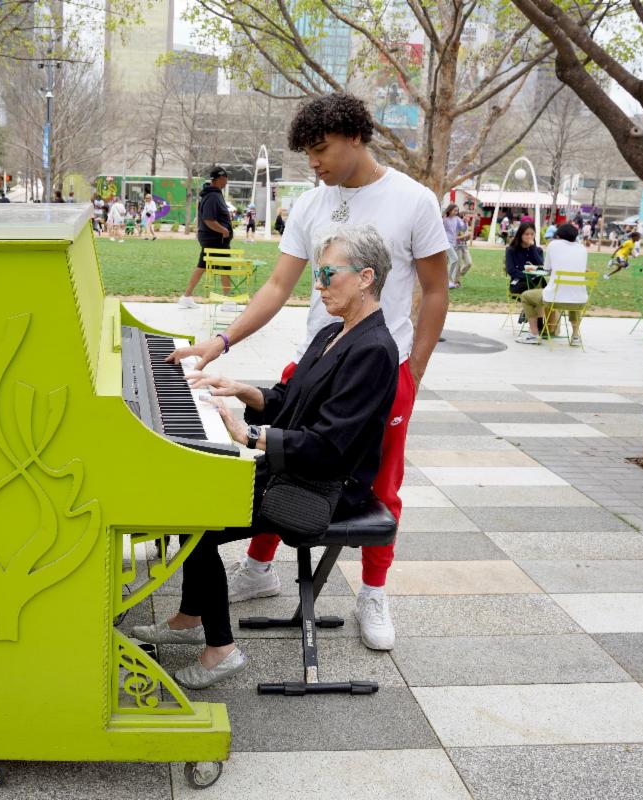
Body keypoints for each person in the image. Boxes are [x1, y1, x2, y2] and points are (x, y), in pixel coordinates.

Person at [168, 92, 449, 652]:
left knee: (379, 484)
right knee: (286, 456)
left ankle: (373, 591)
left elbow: (436, 291)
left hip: (380, 363)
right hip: (322, 350)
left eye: (321, 149)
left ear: (356, 137)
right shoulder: (311, 203)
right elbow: (277, 287)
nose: (314, 162)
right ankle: (257, 569)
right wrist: (220, 342)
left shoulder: (413, 200)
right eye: (307, 153)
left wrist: (412, 369)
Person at [134, 226, 399, 687]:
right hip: (297, 467)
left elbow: (329, 446)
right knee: (192, 488)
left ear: (365, 278)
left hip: (328, 487)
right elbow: (288, 400)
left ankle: (222, 649)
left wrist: (250, 436)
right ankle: (189, 617)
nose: (318, 284)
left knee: (199, 514)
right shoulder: (334, 332)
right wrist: (241, 390)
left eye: (327, 274)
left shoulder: (374, 350)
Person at [516, 223, 588, 346]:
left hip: (554, 299)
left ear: (558, 236)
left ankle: (534, 334)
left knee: (526, 296)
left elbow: (547, 268)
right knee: (573, 295)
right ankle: (576, 336)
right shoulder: (582, 248)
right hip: (580, 301)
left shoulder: (553, 245)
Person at [177, 167, 235, 308]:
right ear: (221, 178)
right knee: (224, 267)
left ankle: (186, 297)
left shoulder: (213, 195)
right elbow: (209, 219)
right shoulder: (213, 196)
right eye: (226, 178)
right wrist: (224, 231)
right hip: (216, 239)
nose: (227, 181)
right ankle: (227, 300)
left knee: (202, 266)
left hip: (213, 239)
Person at [505, 221, 544, 296]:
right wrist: (528, 276)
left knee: (545, 291)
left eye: (532, 234)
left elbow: (541, 267)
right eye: (526, 234)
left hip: (537, 281)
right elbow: (511, 270)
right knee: (534, 293)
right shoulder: (511, 250)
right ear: (520, 235)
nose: (530, 237)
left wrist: (533, 248)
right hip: (518, 282)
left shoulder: (538, 250)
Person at [442, 203, 468, 289]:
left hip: (453, 243)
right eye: (455, 210)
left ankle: (448, 282)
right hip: (445, 242)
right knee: (455, 259)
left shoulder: (457, 219)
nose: (456, 212)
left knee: (449, 261)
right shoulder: (444, 219)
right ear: (450, 210)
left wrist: (465, 222)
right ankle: (449, 280)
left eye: (457, 211)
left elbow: (463, 229)